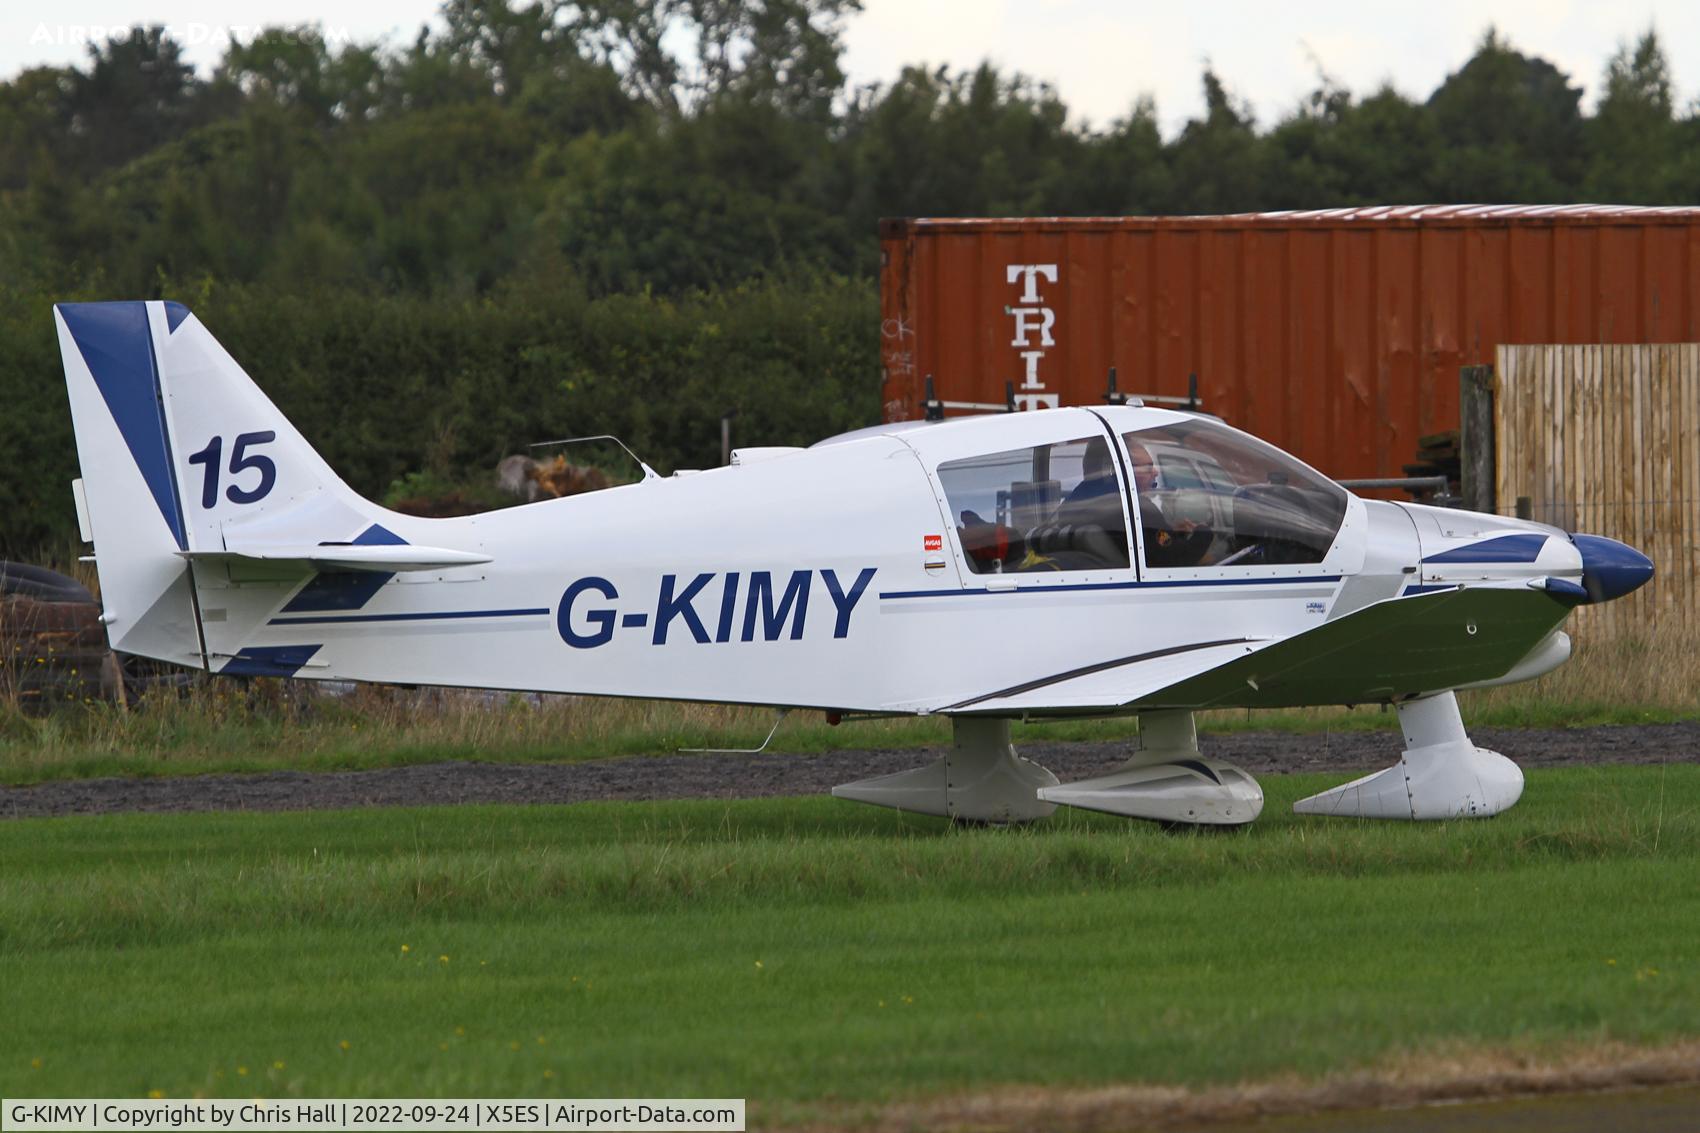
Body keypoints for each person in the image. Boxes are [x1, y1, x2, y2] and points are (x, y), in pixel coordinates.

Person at [1126, 438, 1211, 568]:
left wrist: (1173, 534)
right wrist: (1203, 532)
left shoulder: (1097, 502)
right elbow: (1176, 558)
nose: (1155, 472)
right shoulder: (1141, 509)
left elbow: (1154, 546)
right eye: (1147, 467)